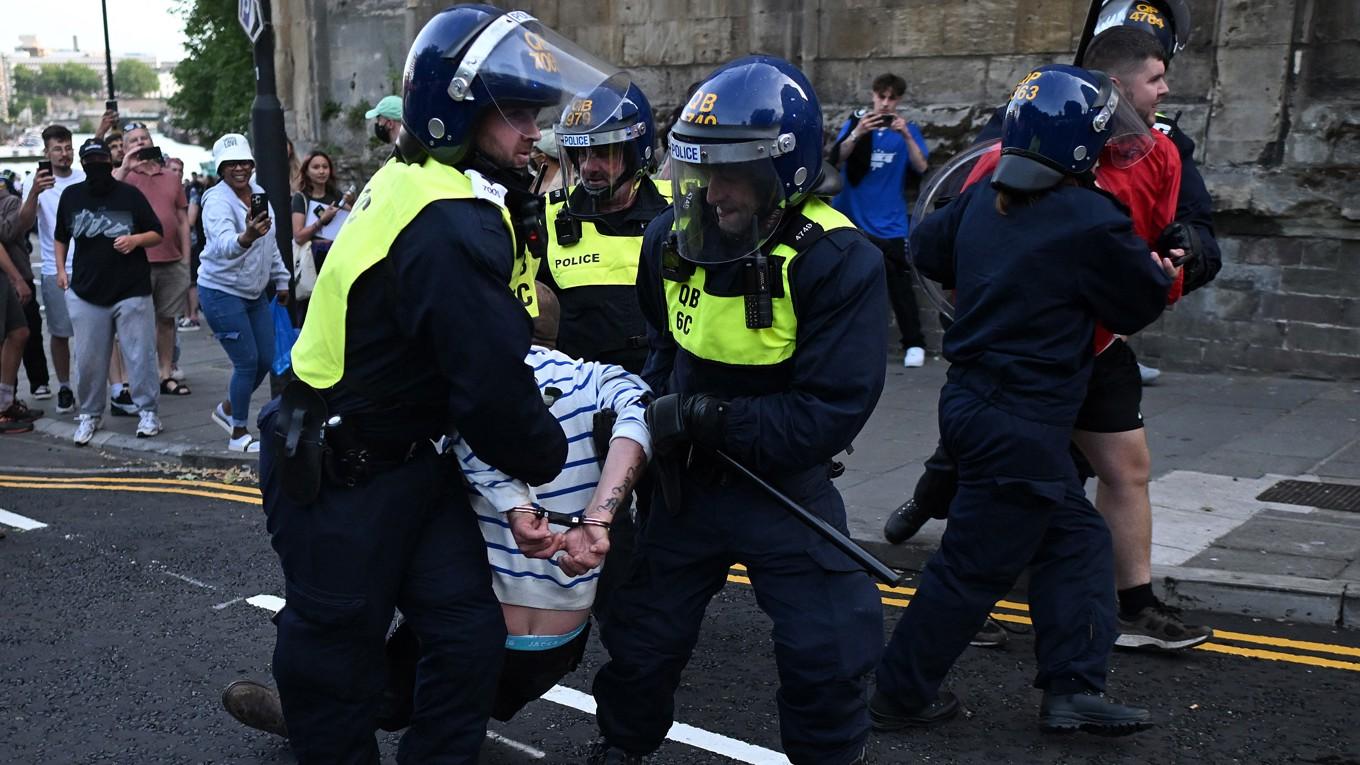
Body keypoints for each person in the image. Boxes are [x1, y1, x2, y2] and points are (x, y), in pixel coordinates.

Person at [257, 6, 624, 762]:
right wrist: (558, 467)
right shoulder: (450, 219)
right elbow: (493, 392)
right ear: (457, 112)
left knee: (464, 634)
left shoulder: (421, 176)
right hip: (342, 478)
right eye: (516, 112)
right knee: (335, 662)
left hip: (413, 463)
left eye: (537, 112)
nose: (536, 132)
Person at [588, 55, 887, 765]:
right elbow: (664, 345)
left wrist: (709, 418)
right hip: (687, 480)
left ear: (782, 173)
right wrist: (651, 411)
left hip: (782, 484)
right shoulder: (668, 241)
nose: (712, 192)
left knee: (831, 644)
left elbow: (827, 413)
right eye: (700, 171)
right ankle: (622, 745)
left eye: (732, 175)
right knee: (641, 637)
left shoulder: (838, 260)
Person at [873, 64, 1175, 737]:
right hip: (1021, 422)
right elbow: (1139, 299)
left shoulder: (985, 200)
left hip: (978, 408)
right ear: (1076, 146)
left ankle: (1073, 686)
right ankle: (897, 692)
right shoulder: (1089, 219)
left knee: (1077, 542)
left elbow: (925, 244)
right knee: (971, 569)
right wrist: (1160, 270)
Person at [221, 283, 651, 737]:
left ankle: (309, 718)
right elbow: (642, 414)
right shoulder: (601, 378)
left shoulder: (464, 388)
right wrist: (600, 514)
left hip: (474, 633)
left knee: (408, 651)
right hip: (555, 650)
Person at [53, 139, 164, 444]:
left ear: (110, 161)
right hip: (87, 291)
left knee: (140, 355)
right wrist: (62, 270)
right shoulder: (71, 195)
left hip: (131, 289)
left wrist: (135, 240)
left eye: (102, 158)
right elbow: (61, 236)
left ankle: (148, 412)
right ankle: (89, 415)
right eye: (90, 160)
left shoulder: (130, 194)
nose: (97, 165)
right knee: (88, 360)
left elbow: (157, 233)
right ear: (83, 163)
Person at [828, 72, 930, 368]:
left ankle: (914, 343)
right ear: (873, 96)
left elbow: (922, 166)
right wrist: (858, 131)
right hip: (851, 218)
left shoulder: (907, 129)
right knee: (843, 284)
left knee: (899, 283)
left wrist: (907, 135)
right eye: (881, 97)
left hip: (889, 222)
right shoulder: (856, 123)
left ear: (898, 101)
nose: (885, 104)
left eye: (892, 98)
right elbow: (836, 158)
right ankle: (841, 342)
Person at [199, 133, 291, 452]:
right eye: (231, 164)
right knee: (247, 362)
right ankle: (238, 433)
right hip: (221, 291)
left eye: (244, 162)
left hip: (254, 292)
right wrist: (246, 236)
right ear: (221, 169)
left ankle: (226, 410)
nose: (239, 168)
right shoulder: (215, 201)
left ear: (252, 165)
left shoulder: (259, 193)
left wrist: (281, 279)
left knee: (265, 358)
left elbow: (271, 243)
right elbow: (223, 245)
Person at [115, 123, 193, 397]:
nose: (140, 143)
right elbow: (105, 190)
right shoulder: (124, 177)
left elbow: (182, 220)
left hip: (171, 260)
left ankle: (165, 373)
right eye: (133, 140)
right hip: (138, 261)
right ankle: (132, 378)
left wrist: (186, 258)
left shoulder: (170, 177)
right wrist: (126, 164)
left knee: (167, 320)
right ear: (125, 147)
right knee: (135, 324)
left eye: (143, 138)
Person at [24, 125, 84, 415]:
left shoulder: (84, 178)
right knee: (60, 333)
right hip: (54, 269)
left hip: (88, 268)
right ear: (46, 153)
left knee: (93, 333)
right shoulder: (36, 183)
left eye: (68, 147)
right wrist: (35, 192)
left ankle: (94, 386)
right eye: (58, 149)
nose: (64, 153)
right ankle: (64, 386)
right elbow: (23, 226)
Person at [0, 172, 51, 407]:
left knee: (22, 332)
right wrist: (17, 278)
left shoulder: (8, 200)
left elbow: (20, 226)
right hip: (10, 277)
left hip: (11, 276)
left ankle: (6, 401)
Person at [290, 149, 352, 272]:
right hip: (313, 260)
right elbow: (298, 236)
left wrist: (351, 202)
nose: (321, 171)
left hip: (338, 256)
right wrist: (321, 222)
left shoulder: (336, 195)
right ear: (307, 171)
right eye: (316, 167)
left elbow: (352, 221)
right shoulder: (301, 198)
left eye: (325, 167)